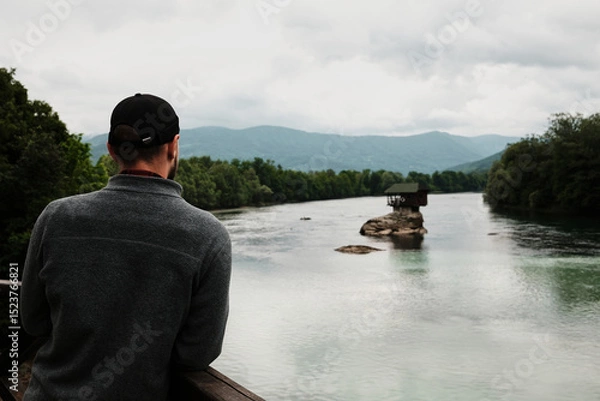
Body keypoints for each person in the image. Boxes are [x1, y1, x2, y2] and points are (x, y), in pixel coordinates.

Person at [20, 93, 232, 401]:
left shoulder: (56, 217)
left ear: (111, 150)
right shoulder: (208, 235)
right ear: (173, 145)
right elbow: (197, 354)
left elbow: (33, 321)